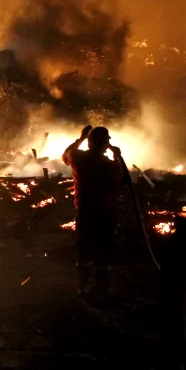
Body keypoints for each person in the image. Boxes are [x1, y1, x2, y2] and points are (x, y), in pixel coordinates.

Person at [62, 125, 125, 300]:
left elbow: (66, 154)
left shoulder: (78, 158)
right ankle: (101, 289)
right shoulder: (110, 165)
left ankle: (83, 287)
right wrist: (117, 157)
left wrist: (80, 138)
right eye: (106, 142)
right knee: (104, 250)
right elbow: (121, 180)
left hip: (84, 212)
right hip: (105, 213)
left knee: (84, 249)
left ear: (89, 143)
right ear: (105, 144)